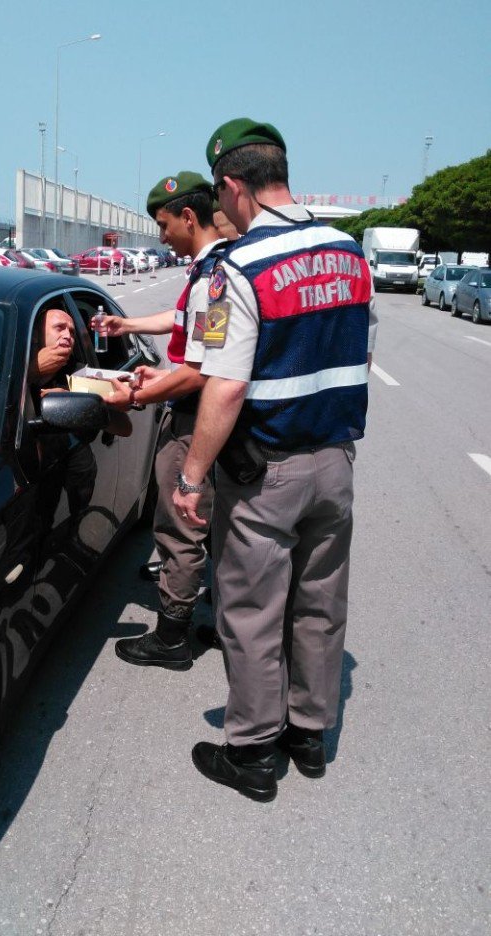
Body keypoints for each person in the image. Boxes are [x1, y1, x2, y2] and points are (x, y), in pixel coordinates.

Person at [174, 118, 378, 802]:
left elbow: (224, 385)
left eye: (219, 195)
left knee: (253, 609)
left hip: (269, 471)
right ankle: (309, 736)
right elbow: (360, 355)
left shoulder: (239, 268)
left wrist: (192, 475)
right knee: (320, 603)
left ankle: (254, 751)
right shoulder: (351, 254)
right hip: (336, 463)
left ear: (233, 186)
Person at [97, 171, 229, 671]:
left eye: (163, 223)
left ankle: (171, 636)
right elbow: (187, 328)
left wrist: (139, 394)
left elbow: (201, 373)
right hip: (204, 410)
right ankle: (225, 621)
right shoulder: (210, 271)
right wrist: (127, 324)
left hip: (196, 418)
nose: (160, 235)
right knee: (215, 529)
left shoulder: (215, 275)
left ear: (188, 217)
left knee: (180, 528)